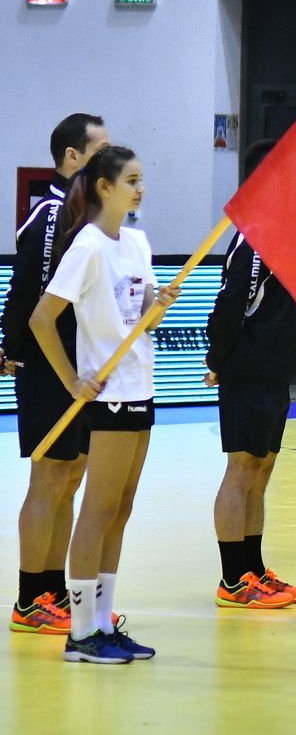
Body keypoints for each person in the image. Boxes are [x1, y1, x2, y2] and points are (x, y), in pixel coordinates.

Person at [30, 145, 178, 663]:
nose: (140, 189)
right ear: (104, 187)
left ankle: (104, 622)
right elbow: (41, 319)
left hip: (142, 387)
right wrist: (72, 380)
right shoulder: (88, 246)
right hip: (110, 395)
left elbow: (143, 318)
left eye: (141, 179)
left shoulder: (136, 241)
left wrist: (159, 306)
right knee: (98, 509)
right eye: (131, 180)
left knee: (122, 507)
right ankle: (80, 633)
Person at [4, 113, 108, 634]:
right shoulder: (50, 215)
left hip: (82, 367)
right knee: (49, 478)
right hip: (48, 367)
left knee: (71, 477)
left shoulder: (90, 217)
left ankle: (52, 591)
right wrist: (10, 347)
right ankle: (28, 600)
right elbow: (28, 290)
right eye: (100, 151)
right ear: (73, 157)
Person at [205, 140, 296, 610]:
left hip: (275, 373)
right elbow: (231, 303)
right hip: (248, 371)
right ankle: (233, 580)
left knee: (261, 470)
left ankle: (254, 567)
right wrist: (218, 358)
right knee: (241, 468)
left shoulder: (287, 236)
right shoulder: (253, 239)